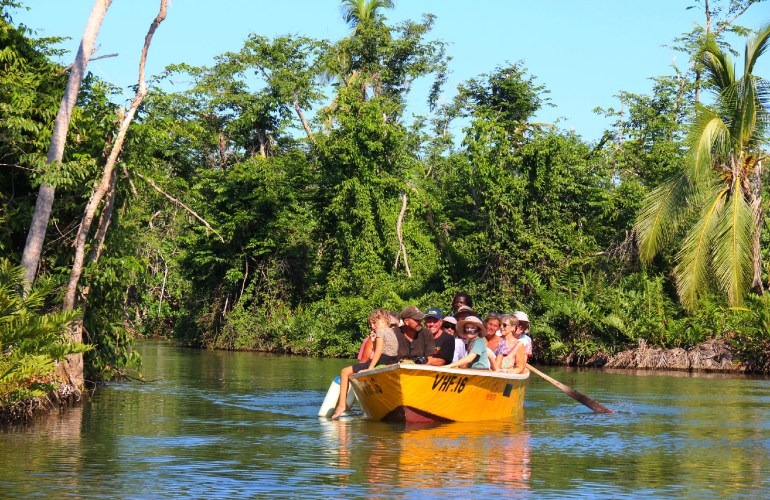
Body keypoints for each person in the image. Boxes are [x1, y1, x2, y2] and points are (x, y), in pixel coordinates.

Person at [332, 309, 400, 419]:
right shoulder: (392, 332)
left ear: (383, 321)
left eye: (374, 323)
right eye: (371, 324)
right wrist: (373, 341)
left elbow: (378, 352)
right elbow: (385, 350)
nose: (372, 326)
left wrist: (370, 368)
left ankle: (342, 405)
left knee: (344, 372)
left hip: (382, 360)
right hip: (392, 360)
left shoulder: (380, 331)